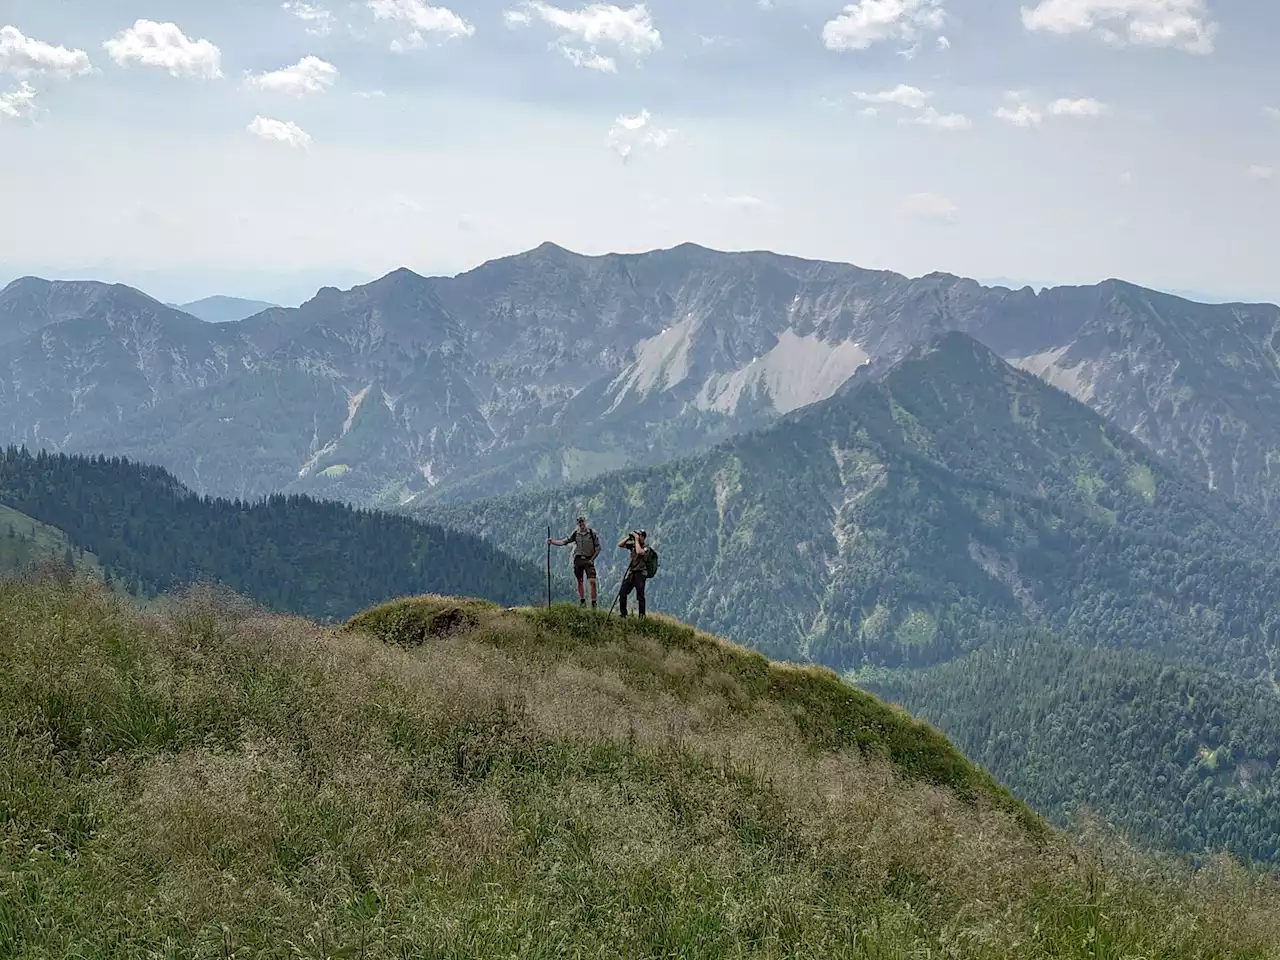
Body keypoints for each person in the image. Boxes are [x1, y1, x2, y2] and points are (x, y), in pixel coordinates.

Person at [547, 516, 601, 608]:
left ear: (585, 522)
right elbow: (565, 542)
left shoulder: (592, 533)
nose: (581, 524)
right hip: (578, 559)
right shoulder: (576, 534)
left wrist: (592, 559)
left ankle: (594, 603)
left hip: (588, 559)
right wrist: (552, 542)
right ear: (578, 524)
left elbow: (598, 548)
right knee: (579, 580)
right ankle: (582, 601)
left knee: (592, 581)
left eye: (582, 522)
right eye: (579, 522)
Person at [618, 529, 649, 619]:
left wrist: (635, 540)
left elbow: (640, 552)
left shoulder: (647, 547)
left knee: (640, 596)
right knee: (623, 592)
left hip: (640, 574)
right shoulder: (633, 545)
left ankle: (642, 617)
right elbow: (620, 545)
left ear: (643, 537)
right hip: (632, 573)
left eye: (640, 536)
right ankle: (623, 614)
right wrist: (629, 536)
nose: (638, 537)